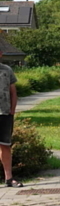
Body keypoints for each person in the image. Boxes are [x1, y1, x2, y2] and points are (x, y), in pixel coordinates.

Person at [0, 49, 21, 187]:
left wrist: (12, 110)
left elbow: (13, 92)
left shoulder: (7, 70)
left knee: (5, 146)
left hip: (4, 113)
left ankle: (9, 178)